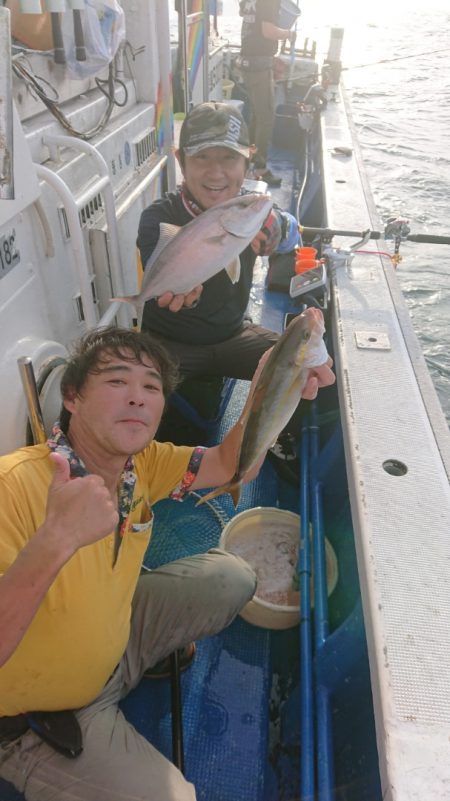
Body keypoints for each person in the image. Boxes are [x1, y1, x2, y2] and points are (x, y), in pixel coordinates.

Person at [0, 325, 291, 801]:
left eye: (151, 386)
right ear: (72, 397)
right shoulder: (12, 486)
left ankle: (132, 664)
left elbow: (230, 464)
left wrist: (275, 384)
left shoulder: (142, 465)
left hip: (113, 642)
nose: (137, 397)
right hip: (39, 713)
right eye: (117, 382)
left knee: (232, 577)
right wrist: (55, 540)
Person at [137, 101, 335, 462]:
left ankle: (277, 440)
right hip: (171, 344)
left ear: (248, 161)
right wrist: (188, 294)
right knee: (140, 400)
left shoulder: (252, 208)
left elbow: (289, 229)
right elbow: (166, 276)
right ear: (181, 161)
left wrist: (275, 230)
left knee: (310, 368)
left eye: (228, 159)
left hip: (234, 336)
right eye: (202, 158)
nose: (216, 172)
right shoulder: (159, 218)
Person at [239, 0, 295, 186]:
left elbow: (252, 23)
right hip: (259, 66)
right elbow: (268, 31)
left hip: (248, 61)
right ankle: (260, 168)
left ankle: (248, 161)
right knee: (266, 117)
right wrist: (288, 33)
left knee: (257, 114)